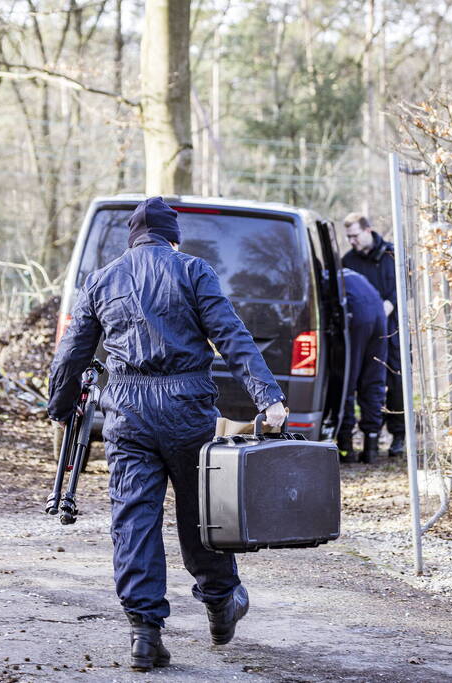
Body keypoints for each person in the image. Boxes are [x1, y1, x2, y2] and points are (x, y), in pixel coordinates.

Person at [48, 197, 287, 672]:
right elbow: (232, 336)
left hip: (128, 413)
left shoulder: (101, 279)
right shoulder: (193, 270)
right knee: (202, 513)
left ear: (133, 237)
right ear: (172, 236)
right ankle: (220, 603)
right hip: (188, 409)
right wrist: (268, 398)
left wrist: (59, 407)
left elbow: (72, 353)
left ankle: (144, 633)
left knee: (134, 517)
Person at [341, 212, 404, 458]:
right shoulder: (348, 262)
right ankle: (365, 435)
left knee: (395, 379)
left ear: (368, 231)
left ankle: (398, 435)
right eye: (348, 237)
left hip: (391, 327)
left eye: (355, 236)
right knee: (361, 380)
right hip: (361, 331)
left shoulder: (392, 256)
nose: (352, 241)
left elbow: (403, 285)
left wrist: (389, 304)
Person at [338, 268, 388, 464]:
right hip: (377, 310)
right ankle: (371, 447)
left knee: (346, 379)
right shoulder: (352, 275)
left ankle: (346, 447)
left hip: (355, 312)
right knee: (373, 378)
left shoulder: (325, 279)